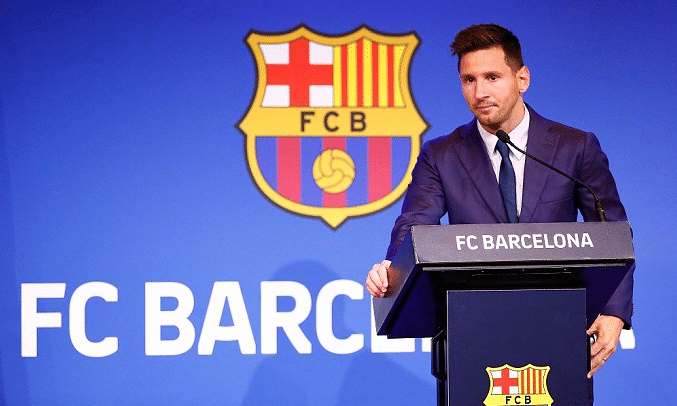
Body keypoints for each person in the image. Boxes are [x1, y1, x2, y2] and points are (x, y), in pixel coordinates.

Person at [365, 23, 633, 402]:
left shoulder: (575, 147)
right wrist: (393, 269)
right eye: (468, 80)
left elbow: (613, 233)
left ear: (522, 79)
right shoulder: (441, 155)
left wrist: (614, 312)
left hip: (558, 326)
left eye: (492, 77)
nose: (480, 92)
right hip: (472, 331)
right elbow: (414, 224)